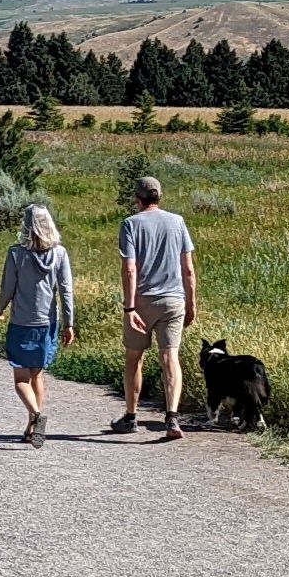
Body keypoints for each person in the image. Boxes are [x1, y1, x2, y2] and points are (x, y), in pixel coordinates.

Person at [110, 172, 199, 435]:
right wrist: (191, 303)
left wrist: (129, 307)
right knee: (170, 356)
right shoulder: (178, 222)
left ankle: (131, 415)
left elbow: (129, 269)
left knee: (134, 358)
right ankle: (171, 416)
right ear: (159, 196)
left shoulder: (130, 224)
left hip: (143, 301)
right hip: (174, 299)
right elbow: (189, 269)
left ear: (137, 198)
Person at [0, 201, 75, 444]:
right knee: (37, 376)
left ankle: (37, 416)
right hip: (47, 322)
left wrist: (0, 309)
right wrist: (69, 323)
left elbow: (8, 286)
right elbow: (66, 290)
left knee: (21, 378)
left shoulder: (16, 253)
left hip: (21, 322)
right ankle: (33, 429)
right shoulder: (60, 253)